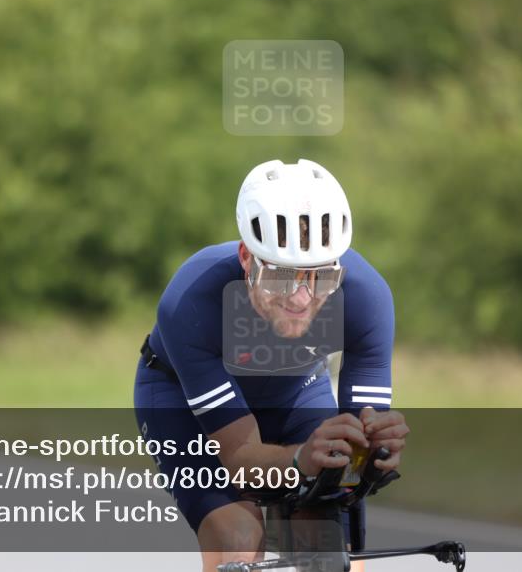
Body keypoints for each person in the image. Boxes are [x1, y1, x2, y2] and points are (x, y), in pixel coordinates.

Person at [134, 159, 408, 572]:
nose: (300, 298)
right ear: (247, 258)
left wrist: (370, 458)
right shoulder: (192, 300)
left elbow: (352, 463)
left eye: (320, 277)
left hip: (296, 389)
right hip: (180, 401)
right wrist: (300, 461)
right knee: (237, 540)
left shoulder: (366, 298)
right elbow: (240, 458)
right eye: (281, 276)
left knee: (328, 549)